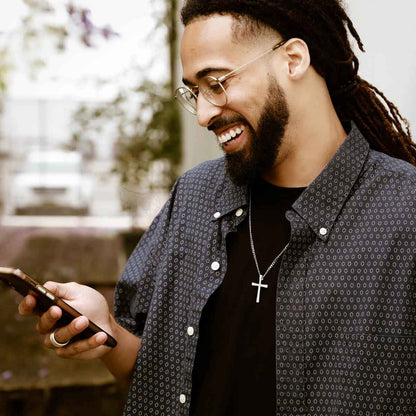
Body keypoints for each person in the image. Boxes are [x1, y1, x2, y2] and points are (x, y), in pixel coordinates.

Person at [19, 0, 416, 415]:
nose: (204, 113)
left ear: (293, 60)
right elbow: (159, 379)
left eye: (216, 83)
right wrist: (107, 333)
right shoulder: (194, 196)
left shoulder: (404, 214)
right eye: (194, 91)